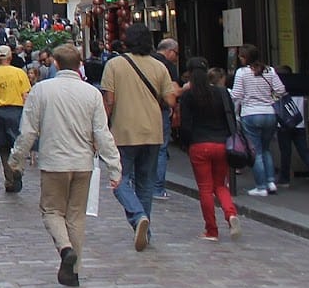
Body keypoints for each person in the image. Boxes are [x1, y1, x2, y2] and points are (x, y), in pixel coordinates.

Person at [7, 45, 121, 287]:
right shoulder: (91, 93)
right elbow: (102, 133)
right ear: (79, 64)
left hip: (54, 162)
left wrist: (17, 160)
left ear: (56, 64)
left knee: (52, 211)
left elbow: (28, 131)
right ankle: (74, 270)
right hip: (83, 163)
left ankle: (65, 248)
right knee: (77, 216)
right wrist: (114, 166)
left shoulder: (41, 90)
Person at [100, 22, 177, 251]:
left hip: (124, 131)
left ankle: (137, 216)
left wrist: (102, 128)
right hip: (152, 130)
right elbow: (171, 100)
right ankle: (145, 229)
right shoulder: (159, 66)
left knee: (118, 179)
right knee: (145, 183)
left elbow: (109, 102)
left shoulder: (114, 65)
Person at [175, 57, 242, 242]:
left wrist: (186, 144)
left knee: (205, 188)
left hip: (199, 144)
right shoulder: (221, 93)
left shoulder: (189, 95)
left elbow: (186, 124)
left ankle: (211, 230)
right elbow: (230, 118)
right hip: (221, 143)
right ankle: (231, 214)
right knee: (220, 185)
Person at [231, 44, 285, 196]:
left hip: (251, 113)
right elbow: (280, 90)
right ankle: (270, 181)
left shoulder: (242, 72)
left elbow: (236, 94)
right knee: (266, 149)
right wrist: (270, 98)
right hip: (270, 113)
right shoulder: (270, 70)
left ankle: (261, 186)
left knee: (256, 151)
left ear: (245, 57)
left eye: (241, 56)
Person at [0, 45, 30, 192]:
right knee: (18, 144)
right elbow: (26, 95)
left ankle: (9, 179)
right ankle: (17, 168)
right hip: (16, 111)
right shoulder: (20, 73)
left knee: (3, 147)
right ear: (10, 57)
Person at [151, 39, 182, 201]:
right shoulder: (168, 66)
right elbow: (174, 92)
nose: (176, 57)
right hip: (161, 109)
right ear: (170, 51)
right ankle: (157, 188)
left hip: (143, 109)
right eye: (176, 53)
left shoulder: (147, 61)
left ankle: (138, 184)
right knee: (161, 149)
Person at [275, 90, 309, 188]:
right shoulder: (301, 90)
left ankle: (285, 179)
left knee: (285, 153)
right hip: (299, 123)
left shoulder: (281, 90)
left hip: (284, 124)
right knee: (304, 151)